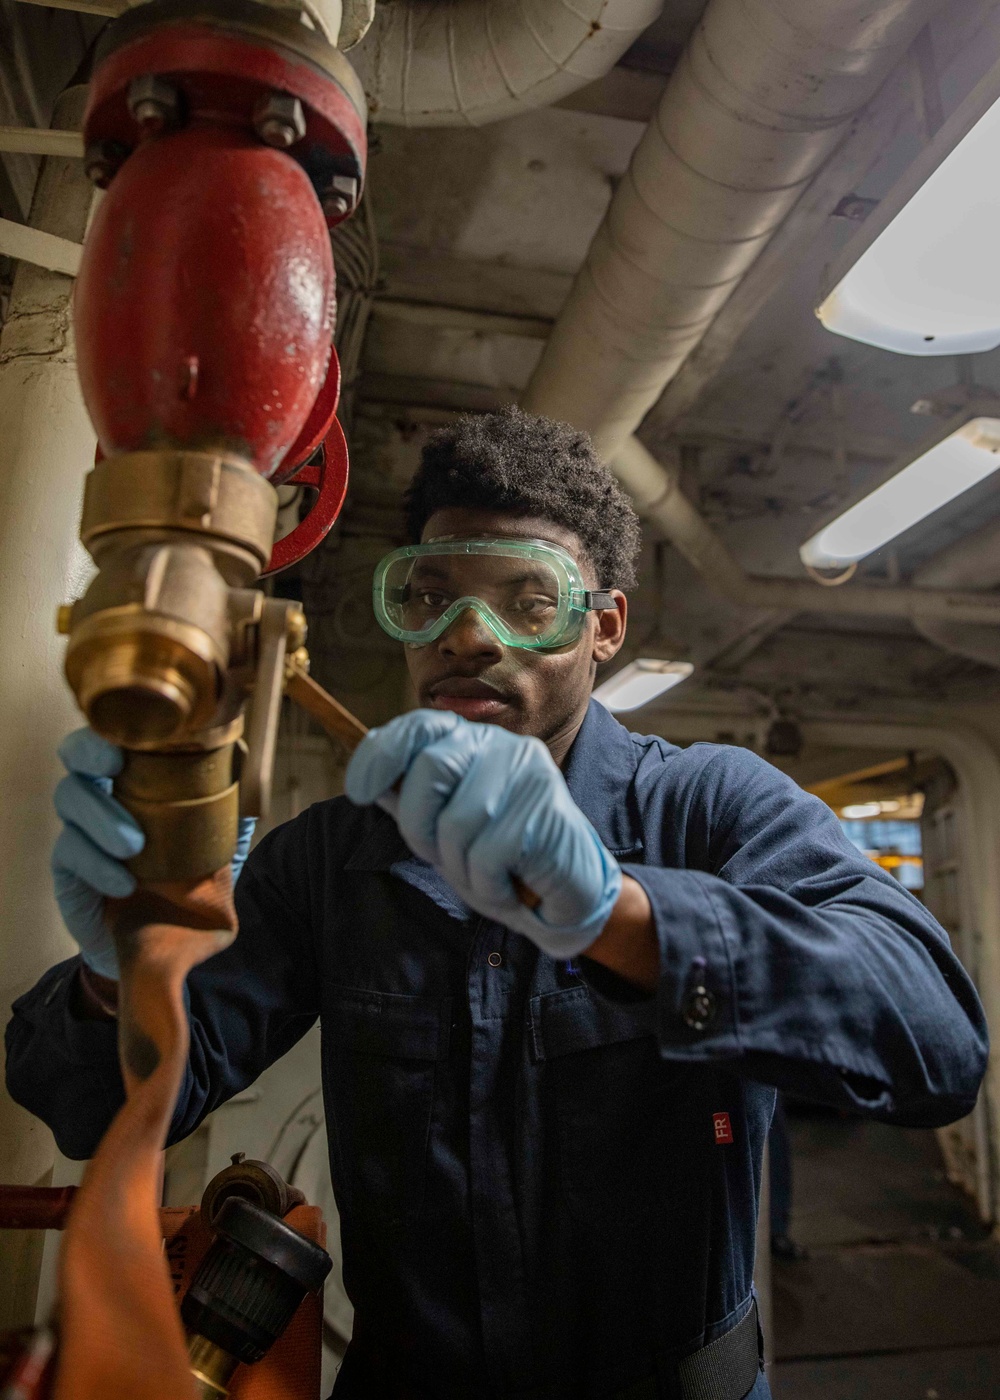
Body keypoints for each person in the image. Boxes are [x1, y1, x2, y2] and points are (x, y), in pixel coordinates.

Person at [6, 408, 988, 1400]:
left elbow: (937, 1038)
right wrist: (119, 965)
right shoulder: (332, 857)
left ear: (603, 625)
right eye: (428, 597)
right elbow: (90, 1105)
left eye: (528, 601)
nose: (465, 635)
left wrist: (620, 912)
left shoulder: (709, 806)